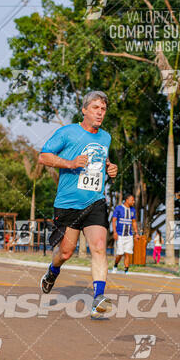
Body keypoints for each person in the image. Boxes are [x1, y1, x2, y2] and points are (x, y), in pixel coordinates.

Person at [38, 91, 118, 319]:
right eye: (95, 108)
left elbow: (102, 161)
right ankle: (53, 272)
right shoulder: (68, 133)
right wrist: (70, 163)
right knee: (65, 252)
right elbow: (43, 157)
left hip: (95, 201)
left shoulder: (106, 138)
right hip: (68, 203)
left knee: (100, 246)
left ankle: (98, 299)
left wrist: (111, 169)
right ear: (84, 110)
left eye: (103, 109)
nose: (100, 113)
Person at [111, 193, 139, 273]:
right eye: (132, 200)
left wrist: (136, 233)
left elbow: (134, 222)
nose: (133, 202)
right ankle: (115, 265)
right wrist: (115, 232)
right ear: (127, 200)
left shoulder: (132, 210)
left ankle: (126, 270)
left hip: (129, 235)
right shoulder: (119, 208)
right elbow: (113, 221)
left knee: (127, 253)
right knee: (120, 253)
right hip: (120, 235)